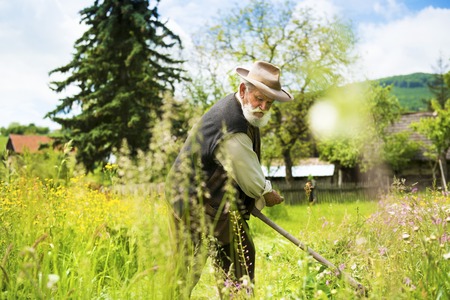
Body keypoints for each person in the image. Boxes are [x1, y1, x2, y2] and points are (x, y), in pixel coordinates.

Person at [165, 61, 293, 297]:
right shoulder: (231, 125)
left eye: (269, 103)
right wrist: (267, 192)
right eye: (259, 99)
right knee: (188, 270)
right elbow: (252, 181)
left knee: (237, 261)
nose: (263, 107)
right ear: (243, 91)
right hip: (193, 204)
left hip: (216, 205)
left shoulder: (243, 113)